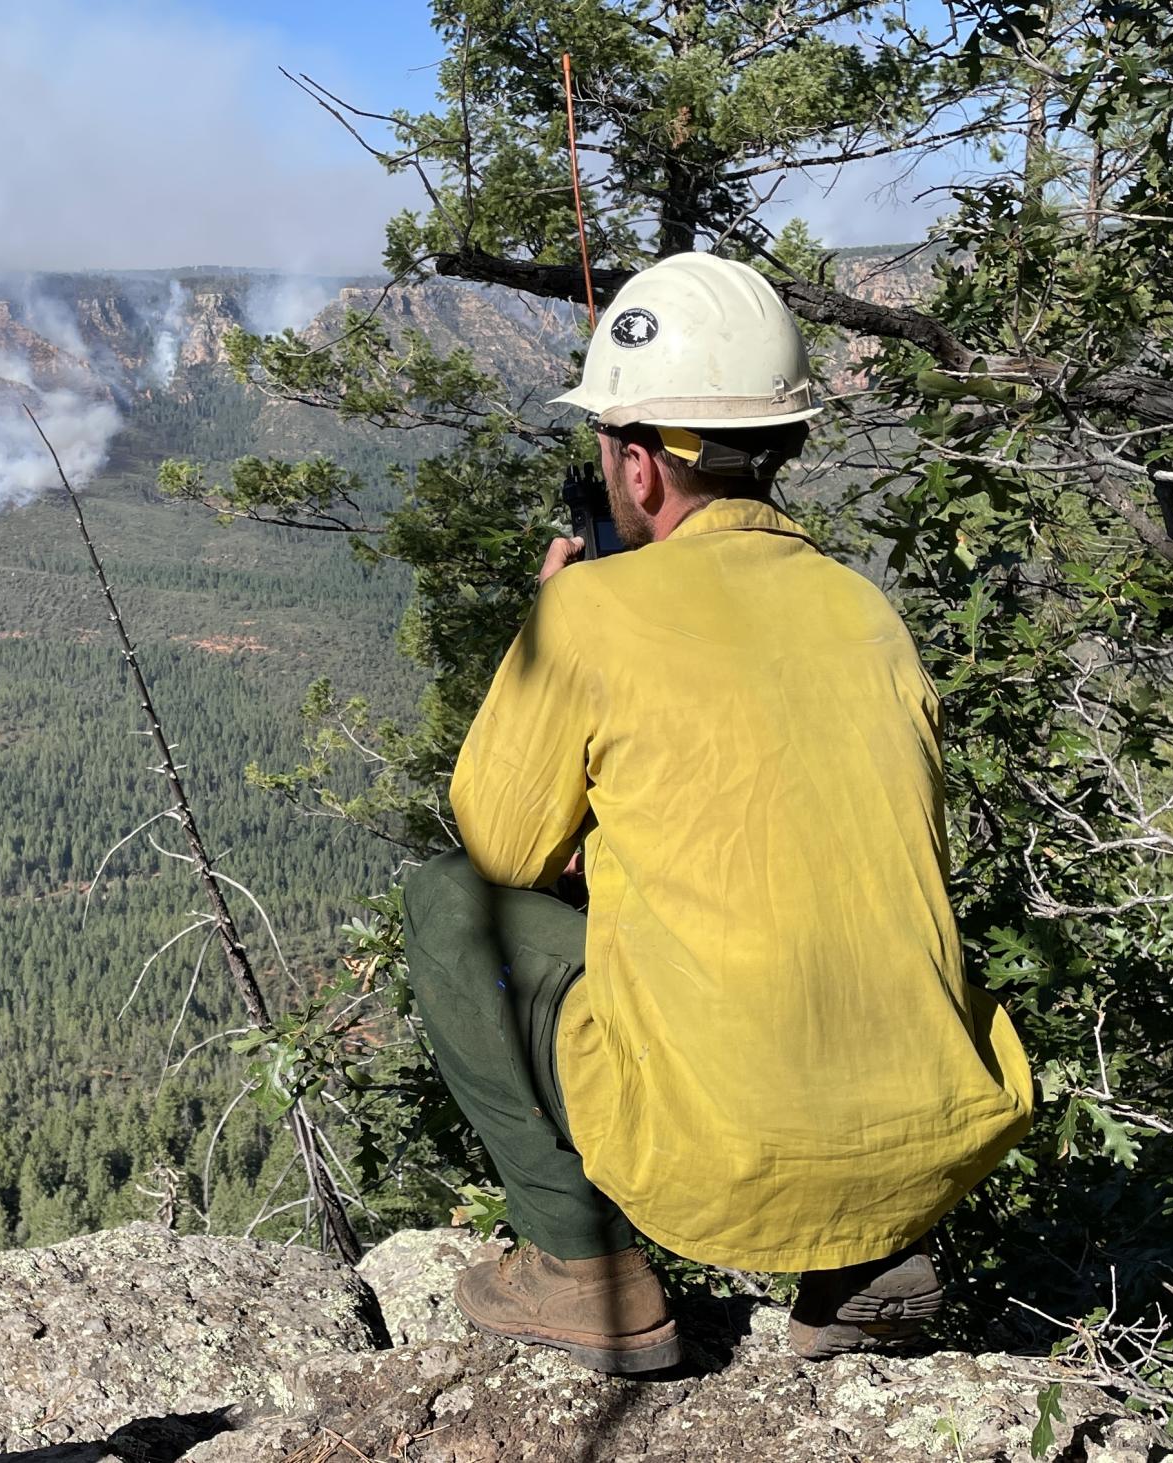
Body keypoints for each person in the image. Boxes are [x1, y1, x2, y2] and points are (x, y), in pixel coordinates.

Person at [405, 251, 1034, 1375]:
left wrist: (551, 627)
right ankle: (872, 1260)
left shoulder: (592, 610)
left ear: (638, 468)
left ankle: (581, 1269)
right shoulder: (864, 609)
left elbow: (498, 846)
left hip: (721, 1151)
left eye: (606, 443)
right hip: (924, 1143)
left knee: (445, 902)